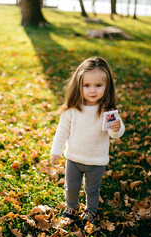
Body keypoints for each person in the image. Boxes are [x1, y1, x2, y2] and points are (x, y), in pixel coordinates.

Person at [50, 56, 125, 224]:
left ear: (107, 86)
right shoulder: (72, 110)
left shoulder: (108, 110)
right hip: (74, 159)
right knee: (71, 187)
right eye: (87, 85)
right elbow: (62, 132)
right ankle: (71, 206)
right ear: (79, 86)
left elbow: (116, 134)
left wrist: (116, 127)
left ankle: (91, 211)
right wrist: (56, 152)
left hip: (96, 161)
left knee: (92, 189)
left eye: (98, 85)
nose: (93, 91)